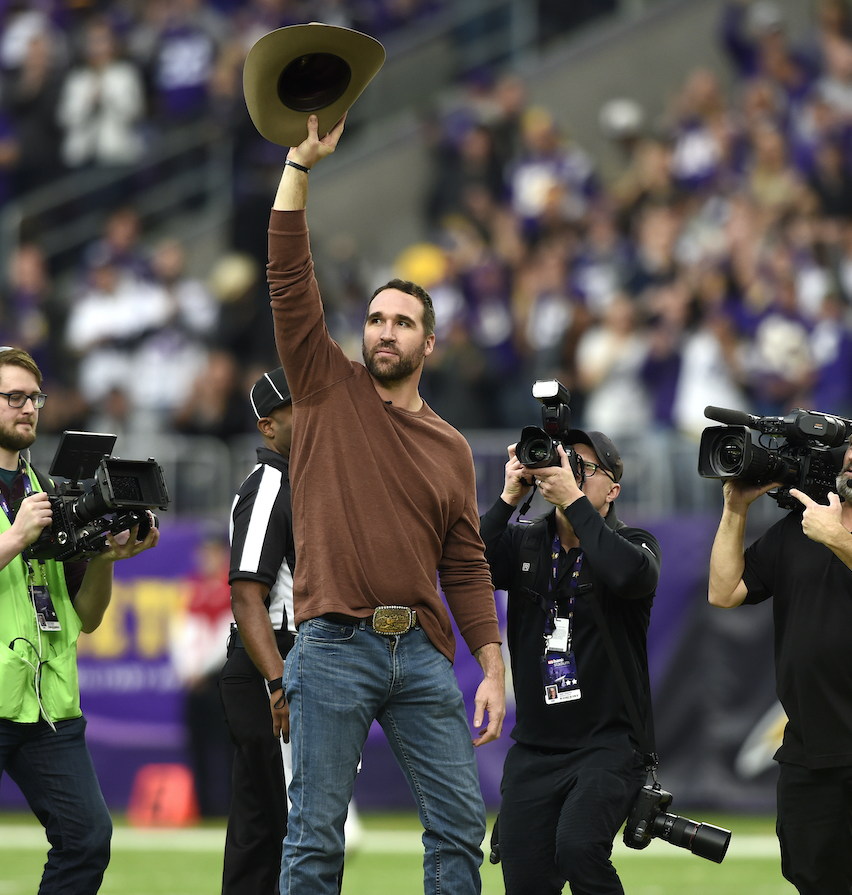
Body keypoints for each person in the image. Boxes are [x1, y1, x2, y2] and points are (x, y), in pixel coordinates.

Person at [269, 113, 506, 895]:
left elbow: (467, 566)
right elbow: (288, 279)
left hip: (423, 656)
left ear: (428, 344)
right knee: (314, 840)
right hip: (333, 644)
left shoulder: (448, 446)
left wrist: (493, 665)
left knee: (460, 826)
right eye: (374, 319)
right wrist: (300, 166)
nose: (384, 331)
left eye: (403, 322)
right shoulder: (325, 388)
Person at [0, 345, 158, 895]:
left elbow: (87, 617)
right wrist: (16, 537)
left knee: (87, 838)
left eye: (34, 398)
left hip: (40, 697)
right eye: (13, 397)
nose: (27, 408)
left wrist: (107, 561)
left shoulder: (47, 490)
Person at [707, 400, 852, 894]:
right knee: (815, 880)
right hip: (809, 745)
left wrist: (837, 537)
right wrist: (735, 509)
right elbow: (724, 591)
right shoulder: (800, 528)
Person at [481, 429, 660, 895]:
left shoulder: (634, 542)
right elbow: (465, 559)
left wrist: (575, 501)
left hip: (608, 744)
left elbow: (630, 575)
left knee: (579, 849)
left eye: (584, 468)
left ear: (613, 489)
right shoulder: (526, 543)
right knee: (524, 879)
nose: (570, 473)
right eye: (565, 462)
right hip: (536, 748)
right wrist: (508, 496)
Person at [219, 366, 297, 895]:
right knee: (302, 828)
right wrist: (277, 682)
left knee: (258, 833)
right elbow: (248, 593)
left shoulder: (296, 479)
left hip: (274, 660)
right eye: (300, 408)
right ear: (268, 426)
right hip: (272, 660)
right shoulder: (269, 485)